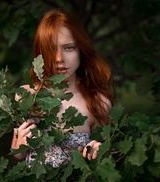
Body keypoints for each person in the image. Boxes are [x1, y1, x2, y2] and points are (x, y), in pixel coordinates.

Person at [11, 9, 114, 168]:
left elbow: (104, 157)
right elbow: (18, 154)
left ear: (81, 50)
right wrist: (19, 145)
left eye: (69, 48)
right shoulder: (26, 96)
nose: (59, 59)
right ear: (41, 53)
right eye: (51, 49)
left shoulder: (97, 102)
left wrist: (98, 150)